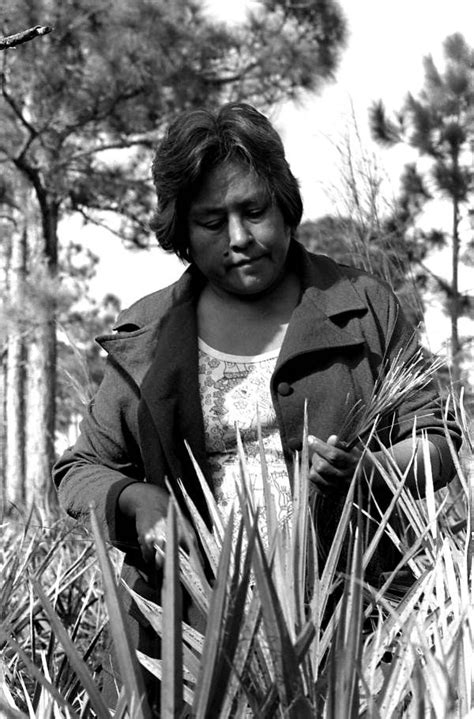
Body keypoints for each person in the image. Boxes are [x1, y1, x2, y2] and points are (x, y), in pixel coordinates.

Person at [53, 102, 461, 709]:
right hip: (188, 647)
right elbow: (79, 471)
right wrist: (141, 503)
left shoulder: (362, 305)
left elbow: (440, 436)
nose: (239, 239)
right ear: (182, 232)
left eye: (254, 211)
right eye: (212, 222)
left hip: (348, 632)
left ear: (284, 203)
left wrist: (374, 471)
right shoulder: (148, 332)